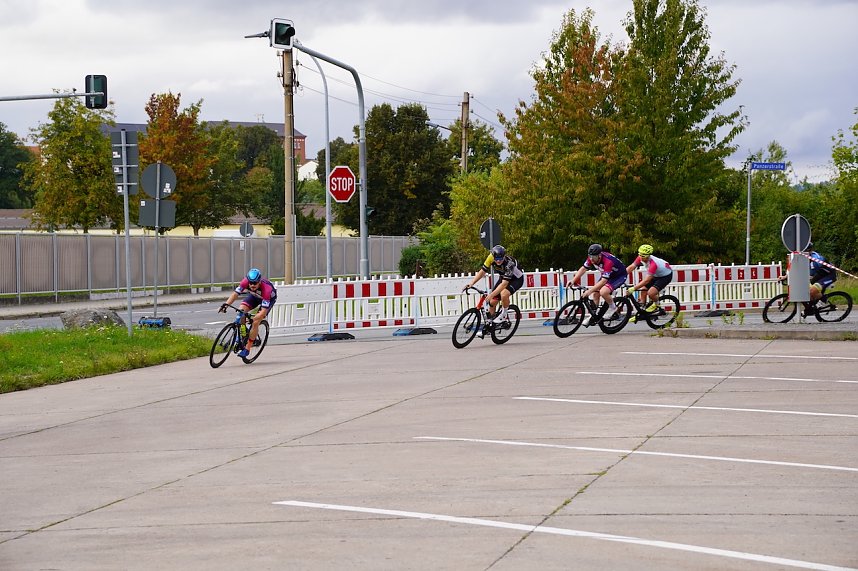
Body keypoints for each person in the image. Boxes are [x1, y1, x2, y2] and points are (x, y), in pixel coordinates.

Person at [463, 245, 524, 337]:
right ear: (493, 256)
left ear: (504, 256)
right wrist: (472, 283)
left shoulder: (509, 264)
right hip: (504, 277)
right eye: (496, 259)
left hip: (516, 280)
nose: (498, 261)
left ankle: (503, 315)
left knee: (503, 294)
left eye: (500, 259)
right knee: (492, 302)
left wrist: (491, 294)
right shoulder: (491, 257)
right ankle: (490, 327)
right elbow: (482, 271)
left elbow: (504, 284)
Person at [219, 268, 277, 357]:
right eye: (250, 283)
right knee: (241, 312)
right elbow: (235, 294)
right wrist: (226, 305)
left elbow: (262, 312)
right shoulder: (245, 282)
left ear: (259, 281)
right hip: (254, 297)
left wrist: (254, 318)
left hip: (267, 299)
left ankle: (247, 349)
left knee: (256, 322)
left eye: (255, 283)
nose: (252, 285)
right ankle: (243, 334)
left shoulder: (267, 289)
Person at [568, 243, 627, 325]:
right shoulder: (591, 258)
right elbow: (583, 269)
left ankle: (613, 308)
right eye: (590, 256)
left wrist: (589, 291)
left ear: (599, 255)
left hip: (619, 276)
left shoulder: (608, 262)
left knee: (603, 292)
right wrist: (573, 280)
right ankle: (593, 315)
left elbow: (603, 281)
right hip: (608, 275)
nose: (591, 259)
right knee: (596, 294)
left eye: (594, 257)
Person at [625, 244, 673, 319]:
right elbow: (631, 267)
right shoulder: (640, 257)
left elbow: (647, 280)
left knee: (651, 293)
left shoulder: (653, 264)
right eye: (639, 255)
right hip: (657, 274)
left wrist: (633, 288)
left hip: (665, 276)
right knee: (643, 290)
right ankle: (642, 311)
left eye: (643, 256)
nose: (641, 257)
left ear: (648, 256)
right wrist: (621, 275)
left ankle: (656, 305)